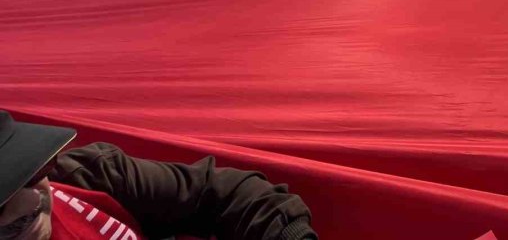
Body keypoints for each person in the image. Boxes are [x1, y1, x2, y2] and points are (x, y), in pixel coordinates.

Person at [0, 110, 316, 240]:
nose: (33, 200)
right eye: (2, 197)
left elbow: (227, 193)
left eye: (32, 170)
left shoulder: (90, 175)